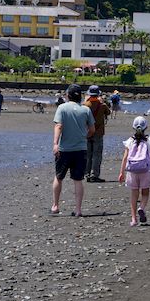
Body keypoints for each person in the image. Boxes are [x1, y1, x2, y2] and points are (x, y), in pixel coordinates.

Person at [51, 84, 95, 217]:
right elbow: (92, 130)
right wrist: (84, 136)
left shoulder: (62, 108)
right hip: (80, 149)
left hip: (64, 149)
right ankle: (78, 209)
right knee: (78, 179)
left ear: (67, 95)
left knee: (59, 177)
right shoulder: (86, 110)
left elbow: (59, 126)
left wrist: (55, 143)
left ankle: (55, 205)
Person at [118, 116, 150, 226]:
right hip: (146, 170)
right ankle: (142, 207)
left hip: (132, 171)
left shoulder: (130, 141)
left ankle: (133, 219)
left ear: (133, 127)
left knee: (134, 194)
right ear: (146, 127)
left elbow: (125, 158)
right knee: (145, 193)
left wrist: (121, 172)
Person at [83, 85, 111, 182]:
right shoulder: (102, 105)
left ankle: (86, 173)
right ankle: (94, 174)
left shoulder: (85, 105)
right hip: (98, 132)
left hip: (87, 132)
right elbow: (108, 112)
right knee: (97, 154)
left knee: (88, 154)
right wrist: (102, 101)